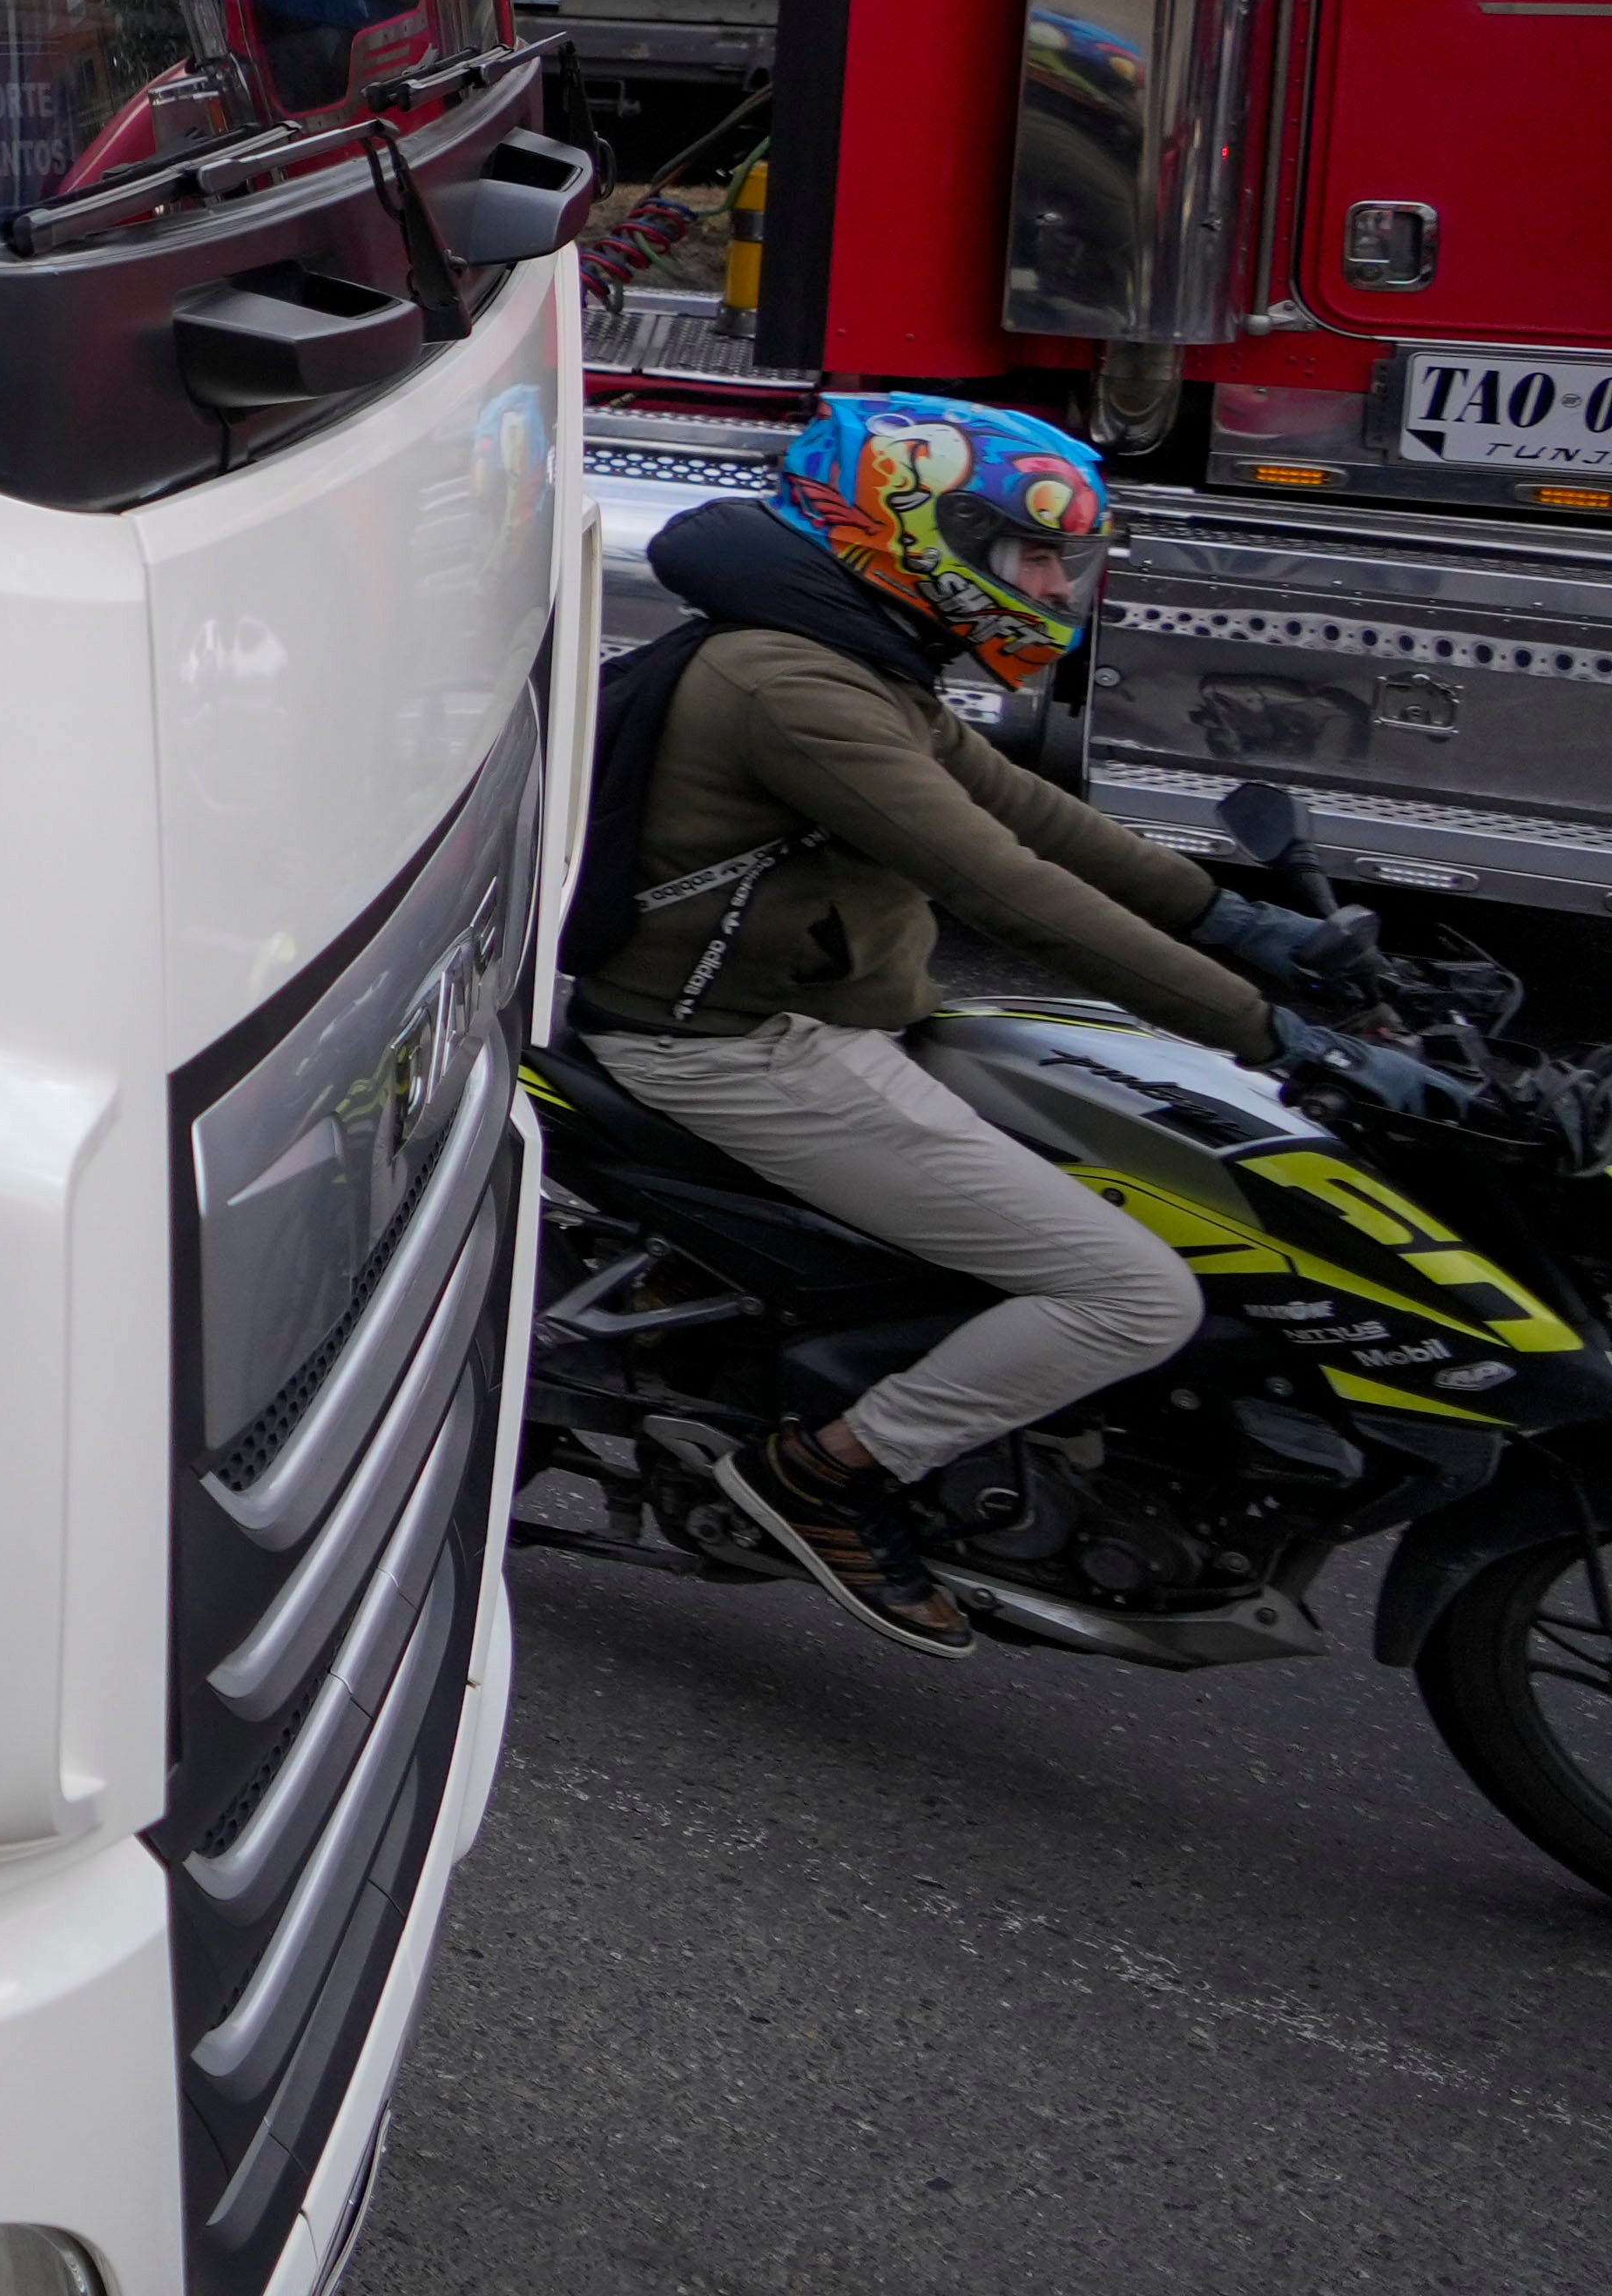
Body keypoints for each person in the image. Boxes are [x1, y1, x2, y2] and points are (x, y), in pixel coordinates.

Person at [580, 394, 1423, 1653]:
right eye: (1032, 554)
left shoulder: (849, 650)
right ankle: (828, 1472)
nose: (1052, 583)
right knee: (1132, 1295)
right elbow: (1006, 889)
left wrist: (1245, 927)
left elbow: (1033, 813)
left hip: (839, 1016)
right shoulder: (796, 688)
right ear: (916, 537)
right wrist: (1262, 1028)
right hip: (733, 1049)